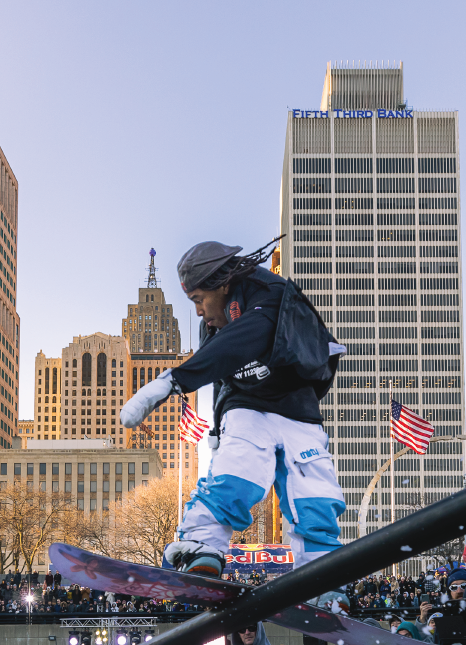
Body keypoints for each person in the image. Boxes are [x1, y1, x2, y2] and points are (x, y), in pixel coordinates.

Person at [120, 239, 346, 574]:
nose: (199, 311)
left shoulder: (270, 293)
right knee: (238, 473)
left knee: (314, 490)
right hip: (247, 407)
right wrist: (216, 432)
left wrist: (172, 381)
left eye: (199, 299)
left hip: (297, 406)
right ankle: (202, 545)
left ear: (222, 284)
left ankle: (320, 567)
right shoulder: (212, 327)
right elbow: (221, 374)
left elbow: (250, 335)